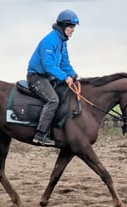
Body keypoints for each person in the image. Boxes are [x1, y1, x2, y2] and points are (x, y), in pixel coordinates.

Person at [27, 9, 79, 146]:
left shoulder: (62, 42)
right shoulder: (50, 41)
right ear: (63, 26)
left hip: (49, 78)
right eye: (71, 26)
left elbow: (64, 63)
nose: (73, 30)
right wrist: (64, 77)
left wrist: (73, 75)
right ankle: (40, 134)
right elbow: (48, 65)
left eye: (74, 27)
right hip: (36, 77)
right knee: (53, 100)